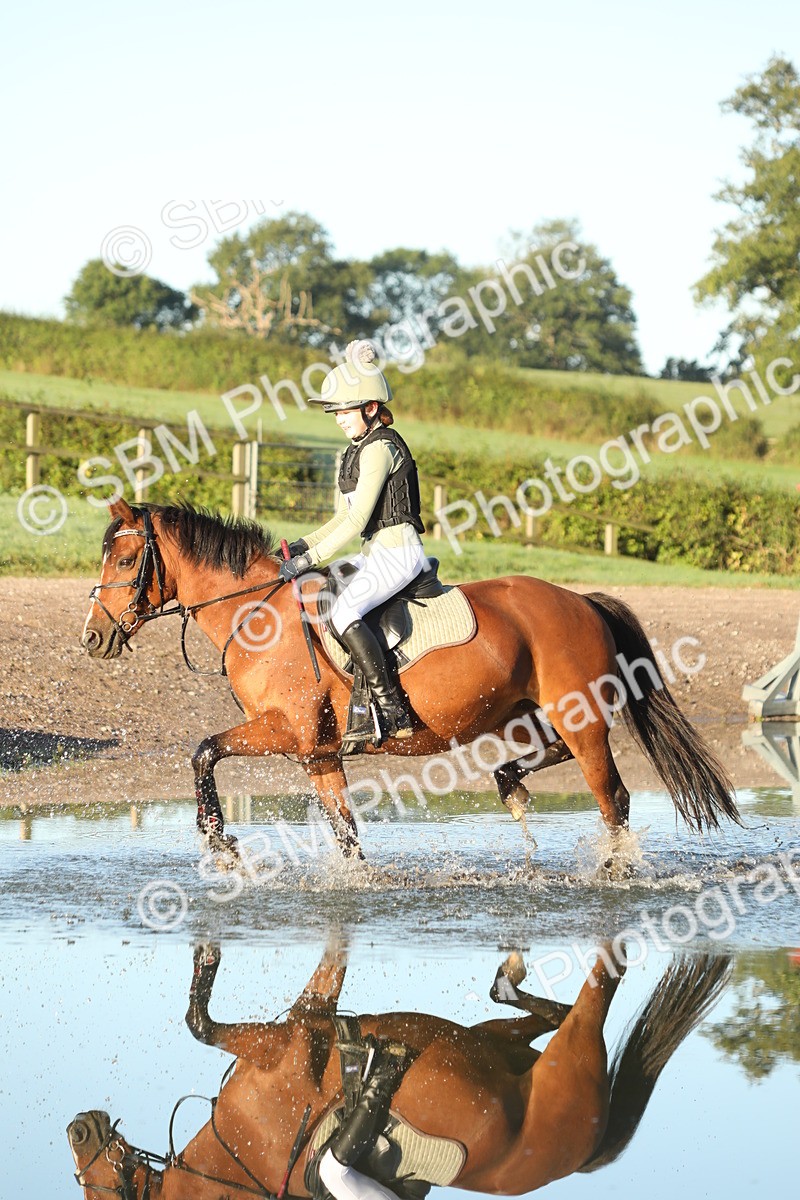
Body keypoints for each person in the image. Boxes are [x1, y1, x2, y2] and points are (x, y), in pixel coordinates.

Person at [280, 341, 427, 743]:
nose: (339, 419)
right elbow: (343, 517)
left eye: (345, 411)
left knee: (344, 611)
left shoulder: (381, 447)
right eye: (336, 412)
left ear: (370, 408)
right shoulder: (353, 452)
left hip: (399, 554)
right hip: (373, 554)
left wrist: (310, 558)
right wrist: (299, 546)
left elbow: (360, 518)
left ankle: (393, 710)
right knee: (323, 596)